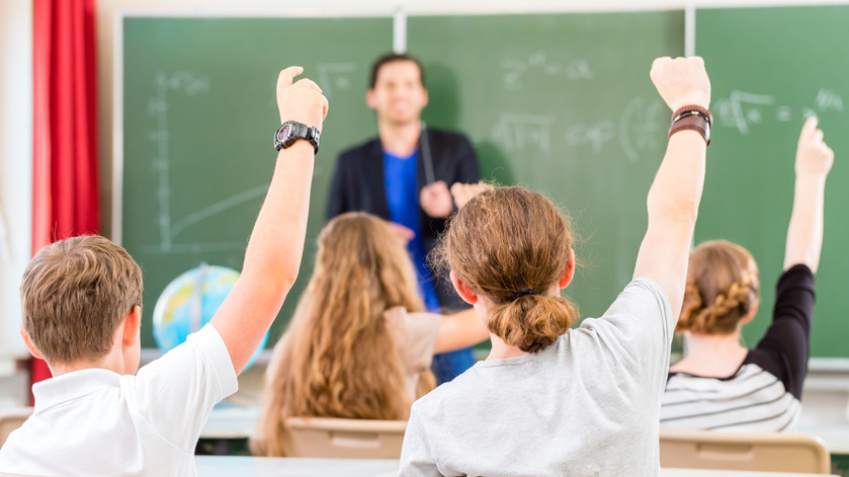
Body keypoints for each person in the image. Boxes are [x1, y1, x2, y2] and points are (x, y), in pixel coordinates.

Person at [0, 66, 328, 476]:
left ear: (29, 340)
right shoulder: (149, 407)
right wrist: (300, 132)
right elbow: (269, 277)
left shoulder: (14, 452)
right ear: (131, 324)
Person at [398, 56, 711, 476]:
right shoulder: (626, 353)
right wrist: (691, 106)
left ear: (463, 286)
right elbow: (675, 217)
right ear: (567, 267)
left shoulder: (437, 420)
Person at [250, 211, 491, 457]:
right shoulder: (404, 331)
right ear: (391, 265)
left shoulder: (293, 344)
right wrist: (484, 226)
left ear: (324, 267)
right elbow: (492, 315)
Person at [660, 117, 833, 432]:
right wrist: (811, 177)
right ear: (750, 307)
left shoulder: (650, 400)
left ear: (678, 304)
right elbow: (801, 268)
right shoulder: (777, 379)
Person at [327, 52, 480, 383]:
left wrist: (448, 212)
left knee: (461, 396)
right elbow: (331, 236)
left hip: (444, 308)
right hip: (374, 308)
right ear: (372, 96)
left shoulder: (455, 149)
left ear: (423, 95)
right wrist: (371, 233)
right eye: (390, 85)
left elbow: (482, 225)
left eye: (409, 84)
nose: (400, 93)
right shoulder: (351, 162)